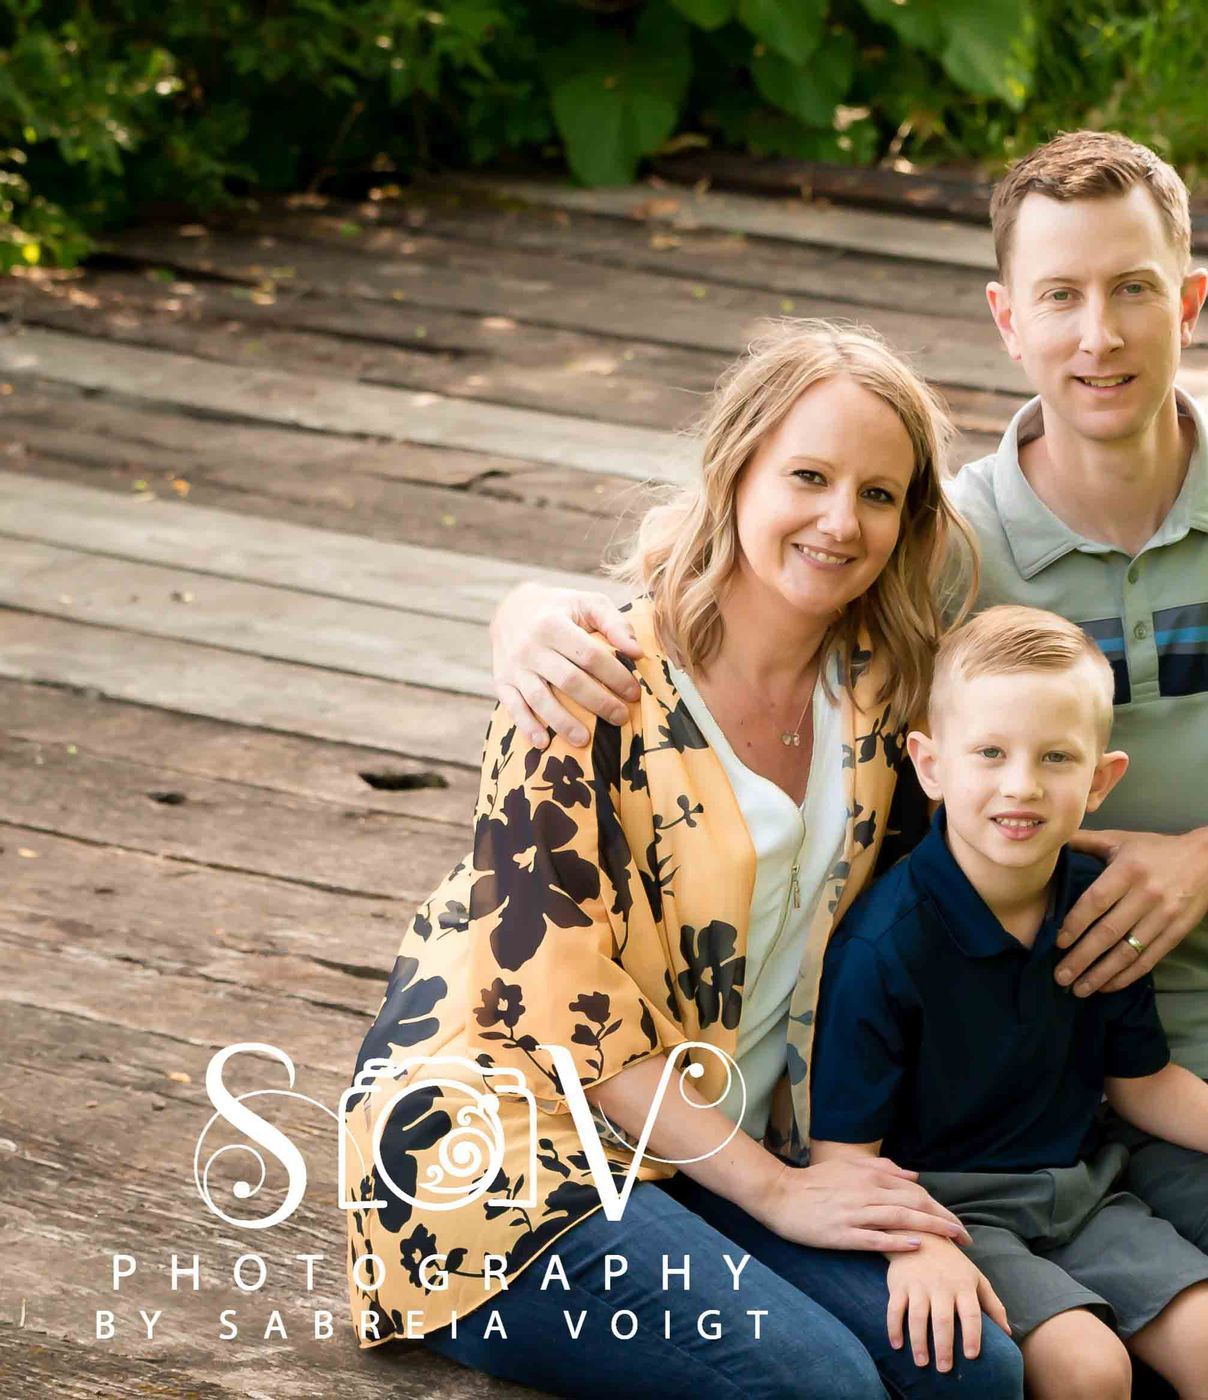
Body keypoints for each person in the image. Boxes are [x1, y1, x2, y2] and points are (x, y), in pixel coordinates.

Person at [488, 133, 1208, 1399]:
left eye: (1134, 288)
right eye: (1060, 296)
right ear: (1007, 320)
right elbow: (747, 556)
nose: (1099, 334)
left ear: (1190, 301)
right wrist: (525, 611)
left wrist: (1206, 865)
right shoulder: (946, 550)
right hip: (1117, 1049)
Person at [339, 319, 1026, 1397]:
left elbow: (906, 945)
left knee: (973, 1370)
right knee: (822, 1387)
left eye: (880, 494)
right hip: (515, 1159)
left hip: (718, 1146)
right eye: (808, 474)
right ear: (738, 469)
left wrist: (861, 1179)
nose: (841, 520)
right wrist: (781, 1193)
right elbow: (563, 1021)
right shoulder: (581, 689)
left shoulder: (886, 695)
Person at [811, 605, 1208, 1399]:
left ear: (1101, 779)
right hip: (947, 1210)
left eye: (1055, 757)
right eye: (990, 753)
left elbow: (1140, 1079)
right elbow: (842, 1159)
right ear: (930, 763)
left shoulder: (1096, 908)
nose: (1021, 785)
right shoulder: (887, 945)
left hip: (1081, 1194)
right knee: (1087, 1367)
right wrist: (916, 1247)